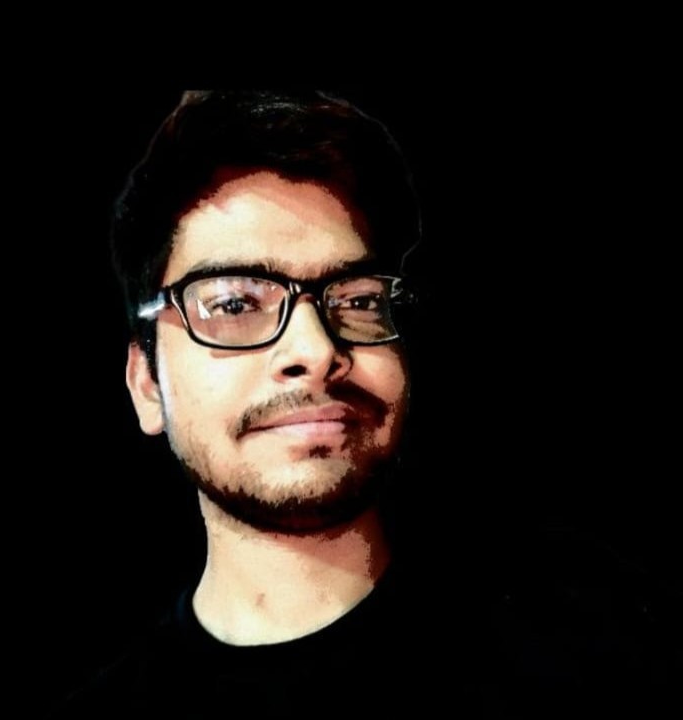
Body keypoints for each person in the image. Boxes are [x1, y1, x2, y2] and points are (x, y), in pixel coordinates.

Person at [50, 90, 680, 717]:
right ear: (146, 384)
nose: (316, 349)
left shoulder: (604, 634)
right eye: (235, 304)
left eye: (356, 300)